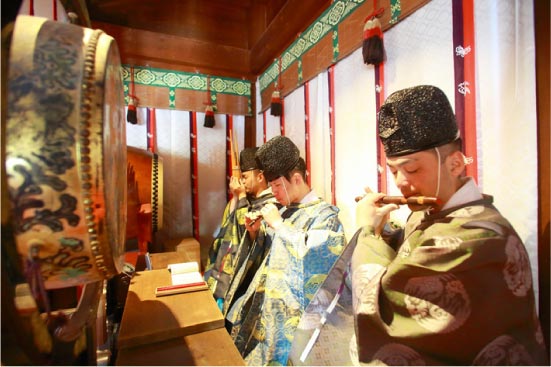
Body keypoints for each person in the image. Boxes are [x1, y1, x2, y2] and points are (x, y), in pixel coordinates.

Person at [290, 85, 548, 366]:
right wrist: (384, 232)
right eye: (393, 170)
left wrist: (366, 233)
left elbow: (386, 306)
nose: (400, 182)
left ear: (456, 164)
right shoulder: (428, 212)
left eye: (411, 169)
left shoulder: (480, 239)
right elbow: (410, 255)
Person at [225, 135, 347, 366]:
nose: (275, 192)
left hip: (293, 316)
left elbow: (318, 258)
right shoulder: (285, 210)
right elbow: (270, 252)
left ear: (297, 178)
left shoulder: (325, 215)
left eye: (278, 185)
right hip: (267, 304)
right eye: (271, 186)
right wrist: (255, 233)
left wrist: (279, 226)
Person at [204, 147, 275, 312]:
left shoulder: (272, 204)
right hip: (224, 272)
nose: (242, 182)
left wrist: (242, 197)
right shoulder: (247, 199)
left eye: (244, 177)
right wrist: (237, 197)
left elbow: (249, 233)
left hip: (245, 282)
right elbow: (227, 227)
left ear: (260, 176)